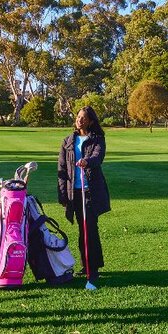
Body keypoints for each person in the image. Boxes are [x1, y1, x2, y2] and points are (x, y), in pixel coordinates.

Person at [58, 106, 111, 283]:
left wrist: (86, 161)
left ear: (91, 121)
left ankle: (93, 267)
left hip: (91, 192)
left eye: (83, 118)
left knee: (90, 228)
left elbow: (98, 157)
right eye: (78, 117)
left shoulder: (97, 139)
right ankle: (86, 265)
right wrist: (63, 195)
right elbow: (62, 170)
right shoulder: (67, 141)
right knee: (83, 229)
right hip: (75, 192)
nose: (79, 120)